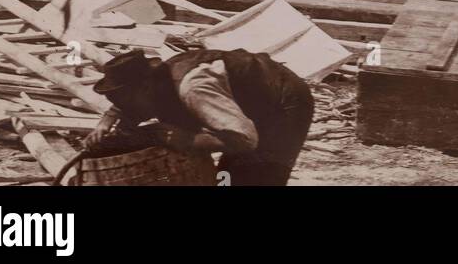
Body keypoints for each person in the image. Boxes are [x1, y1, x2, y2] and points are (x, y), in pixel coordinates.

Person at [88, 46, 313, 188]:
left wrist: (186, 140)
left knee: (257, 176)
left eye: (122, 100)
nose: (121, 107)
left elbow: (245, 140)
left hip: (281, 103)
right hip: (244, 106)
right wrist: (105, 122)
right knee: (227, 179)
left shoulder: (194, 90)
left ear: (145, 87)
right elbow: (127, 105)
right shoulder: (156, 81)